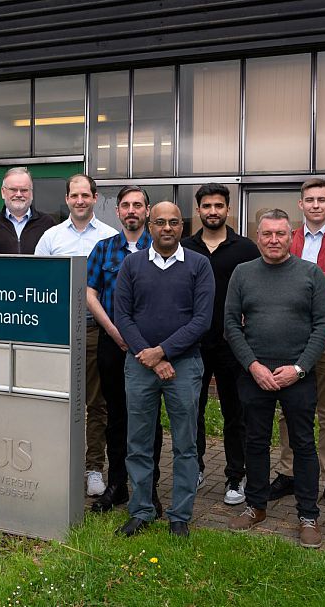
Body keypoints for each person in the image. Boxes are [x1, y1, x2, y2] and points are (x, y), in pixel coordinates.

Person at [224, 209, 325, 549]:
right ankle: (256, 506)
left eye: (280, 234)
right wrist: (253, 365)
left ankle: (308, 514)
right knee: (255, 441)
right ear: (259, 236)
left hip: (297, 375)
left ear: (291, 236)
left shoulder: (310, 274)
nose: (273, 240)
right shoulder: (242, 274)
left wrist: (299, 368)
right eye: (267, 234)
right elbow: (230, 324)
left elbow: (322, 326)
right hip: (255, 374)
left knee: (303, 444)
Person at [113, 202, 214, 538]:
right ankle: (141, 509)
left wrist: (163, 352)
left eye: (174, 222)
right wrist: (149, 355)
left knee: (186, 444)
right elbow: (122, 315)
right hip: (140, 365)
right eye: (160, 222)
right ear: (149, 225)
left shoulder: (199, 265)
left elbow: (202, 320)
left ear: (182, 228)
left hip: (184, 365)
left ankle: (179, 515)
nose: (167, 227)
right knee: (138, 441)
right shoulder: (131, 264)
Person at [269, 178, 325, 514]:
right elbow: (277, 271)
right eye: (309, 200)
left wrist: (302, 274)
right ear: (300, 205)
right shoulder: (290, 237)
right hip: (291, 338)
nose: (315, 205)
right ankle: (288, 473)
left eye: (322, 199)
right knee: (289, 412)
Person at [35, 174, 117, 497]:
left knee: (96, 403)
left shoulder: (110, 237)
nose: (80, 201)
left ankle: (94, 467)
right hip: (59, 331)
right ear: (67, 199)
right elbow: (38, 284)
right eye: (74, 195)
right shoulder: (51, 238)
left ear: (95, 198)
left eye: (86, 195)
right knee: (58, 400)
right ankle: (58, 463)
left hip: (96, 331)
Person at [86, 186, 164, 517]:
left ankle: (149, 489)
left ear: (147, 211)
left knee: (149, 418)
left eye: (138, 205)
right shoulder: (103, 249)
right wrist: (113, 330)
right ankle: (117, 485)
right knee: (116, 416)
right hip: (112, 343)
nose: (131, 210)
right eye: (125, 205)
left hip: (150, 347)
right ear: (117, 212)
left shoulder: (160, 247)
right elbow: (90, 293)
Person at [181, 183, 259, 506]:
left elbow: (260, 290)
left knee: (234, 412)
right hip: (193, 344)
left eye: (219, 205)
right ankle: (196, 467)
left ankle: (235, 476)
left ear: (228, 209)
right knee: (192, 409)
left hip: (232, 345)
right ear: (198, 210)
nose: (213, 211)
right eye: (207, 206)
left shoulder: (246, 249)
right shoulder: (184, 248)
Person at [0, 167, 55, 254]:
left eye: (24, 190)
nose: (18, 194)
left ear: (31, 193)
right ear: (3, 192)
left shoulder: (47, 223)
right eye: (13, 190)